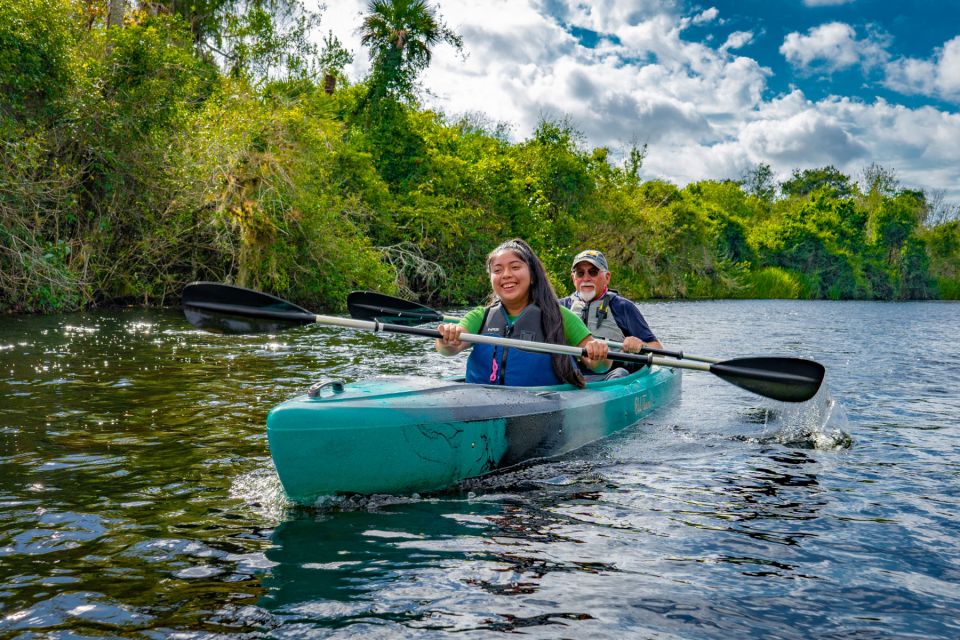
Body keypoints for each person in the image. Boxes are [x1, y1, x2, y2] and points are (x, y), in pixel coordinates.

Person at [436, 239, 610, 388]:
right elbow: (449, 350)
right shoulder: (479, 317)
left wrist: (599, 353)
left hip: (542, 409)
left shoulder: (560, 317)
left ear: (532, 276)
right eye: (497, 270)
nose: (506, 275)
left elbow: (600, 366)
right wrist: (447, 339)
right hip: (481, 404)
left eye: (515, 267)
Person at [560, 249, 663, 355]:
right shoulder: (559, 307)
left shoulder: (623, 307)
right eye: (580, 273)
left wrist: (641, 345)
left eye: (593, 272)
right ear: (573, 278)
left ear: (607, 277)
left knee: (620, 372)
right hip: (568, 369)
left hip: (614, 370)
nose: (586, 278)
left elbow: (658, 351)